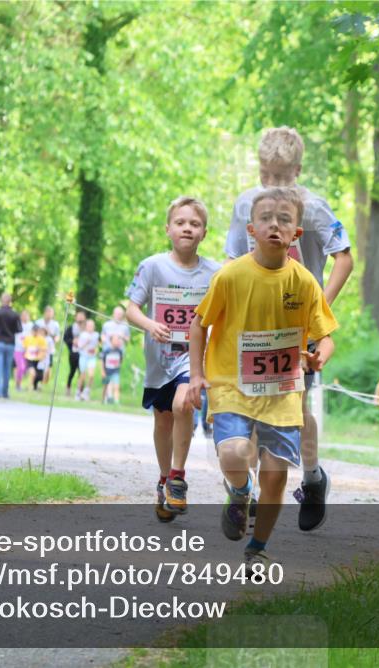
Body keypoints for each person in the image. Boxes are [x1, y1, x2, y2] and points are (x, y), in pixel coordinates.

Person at [188, 186, 338, 566]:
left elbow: (325, 337)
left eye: (284, 220)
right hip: (232, 387)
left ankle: (258, 548)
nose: (275, 225)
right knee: (235, 453)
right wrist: (195, 375)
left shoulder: (304, 283)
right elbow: (199, 324)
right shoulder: (230, 276)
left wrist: (319, 355)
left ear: (296, 234)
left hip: (283, 393)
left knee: (275, 475)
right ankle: (239, 491)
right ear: (250, 231)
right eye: (266, 219)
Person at [224, 126, 353, 532]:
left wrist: (317, 309)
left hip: (298, 329)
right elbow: (231, 263)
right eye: (269, 175)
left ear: (298, 170)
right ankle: (251, 493)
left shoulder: (314, 207)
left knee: (294, 409)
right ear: (260, 171)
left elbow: (344, 260)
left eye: (284, 176)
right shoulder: (246, 204)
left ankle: (313, 479)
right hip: (253, 327)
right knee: (253, 408)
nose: (276, 184)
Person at [125, 196, 221, 520]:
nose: (187, 229)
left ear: (204, 233)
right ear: (168, 229)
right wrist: (150, 324)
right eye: (181, 223)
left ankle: (178, 478)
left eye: (194, 224)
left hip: (191, 360)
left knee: (184, 404)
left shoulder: (214, 273)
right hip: (159, 359)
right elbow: (131, 309)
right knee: (163, 419)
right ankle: (164, 479)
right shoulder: (152, 266)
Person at [101, 306, 130, 401]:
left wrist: (122, 337)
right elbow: (102, 337)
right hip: (107, 353)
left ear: (122, 315)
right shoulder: (107, 324)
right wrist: (107, 340)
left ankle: (114, 397)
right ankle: (106, 396)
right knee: (106, 374)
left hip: (118, 354)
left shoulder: (125, 326)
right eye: (117, 313)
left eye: (120, 314)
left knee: (115, 374)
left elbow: (127, 339)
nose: (118, 316)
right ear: (113, 314)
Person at [76, 318, 99, 401]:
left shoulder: (96, 335)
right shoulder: (83, 335)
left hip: (92, 357)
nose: (90, 327)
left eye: (92, 326)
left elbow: (96, 346)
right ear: (86, 327)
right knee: (82, 376)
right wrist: (86, 342)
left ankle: (86, 392)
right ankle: (78, 392)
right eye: (89, 326)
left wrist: (96, 350)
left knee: (91, 375)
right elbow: (79, 347)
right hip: (83, 357)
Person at [36, 306, 60, 385]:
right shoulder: (38, 322)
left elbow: (57, 337)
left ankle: (44, 383)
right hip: (39, 348)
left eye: (51, 313)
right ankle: (37, 382)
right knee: (38, 366)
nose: (49, 314)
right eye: (48, 312)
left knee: (48, 366)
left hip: (49, 349)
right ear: (45, 313)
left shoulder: (55, 324)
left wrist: (50, 334)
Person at [64, 310, 86, 397]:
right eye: (78, 316)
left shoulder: (87, 328)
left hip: (83, 354)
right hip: (73, 353)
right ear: (76, 317)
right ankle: (68, 388)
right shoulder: (71, 328)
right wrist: (72, 341)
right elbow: (65, 339)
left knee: (82, 372)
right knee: (72, 371)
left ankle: (80, 391)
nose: (80, 318)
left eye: (82, 316)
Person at [101, 334, 125, 404]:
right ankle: (104, 399)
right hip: (107, 371)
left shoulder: (119, 351)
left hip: (115, 372)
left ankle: (116, 401)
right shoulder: (106, 351)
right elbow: (102, 361)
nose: (117, 342)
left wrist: (118, 365)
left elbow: (121, 360)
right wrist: (103, 371)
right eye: (115, 340)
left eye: (118, 340)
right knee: (106, 386)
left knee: (116, 386)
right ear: (111, 341)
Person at [23, 324, 47, 392]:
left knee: (39, 375)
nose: (35, 332)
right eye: (34, 331)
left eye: (37, 331)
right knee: (32, 372)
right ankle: (30, 386)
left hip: (38, 359)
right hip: (29, 358)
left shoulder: (41, 339)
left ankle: (34, 386)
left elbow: (45, 349)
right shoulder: (28, 338)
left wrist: (39, 349)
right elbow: (25, 347)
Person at [13, 310, 31, 391]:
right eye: (23, 315)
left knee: (25, 369)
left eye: (26, 315)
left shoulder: (31, 325)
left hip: (28, 350)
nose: (25, 317)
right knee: (21, 367)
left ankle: (19, 383)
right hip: (17, 349)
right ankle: (18, 385)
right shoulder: (17, 325)